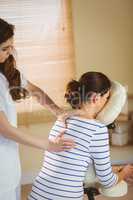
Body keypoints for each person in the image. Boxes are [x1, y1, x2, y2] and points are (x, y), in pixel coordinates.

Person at [0, 18, 75, 200]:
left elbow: (34, 91)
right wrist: (49, 146)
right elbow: (5, 129)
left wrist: (58, 112)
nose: (10, 53)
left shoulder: (4, 73)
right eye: (4, 48)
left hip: (9, 162)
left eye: (11, 46)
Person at [29, 71, 133, 200]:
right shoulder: (98, 129)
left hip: (36, 194)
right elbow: (107, 181)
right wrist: (126, 172)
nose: (107, 103)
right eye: (106, 98)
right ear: (95, 98)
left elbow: (72, 163)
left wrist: (115, 169)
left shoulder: (62, 119)